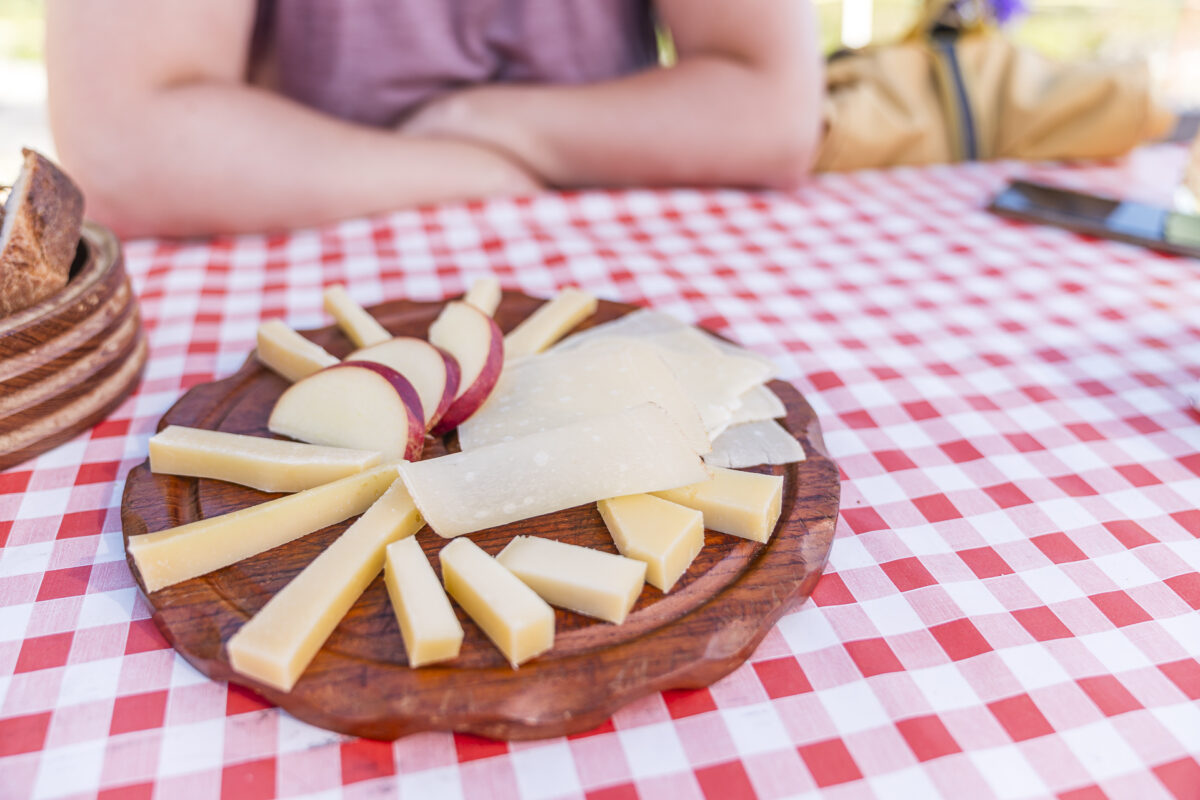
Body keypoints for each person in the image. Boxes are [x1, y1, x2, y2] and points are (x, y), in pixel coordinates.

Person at [45, 1, 823, 238]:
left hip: (619, 272)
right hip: (308, 268)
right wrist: (475, 171)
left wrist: (486, 122)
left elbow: (774, 107)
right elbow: (122, 151)